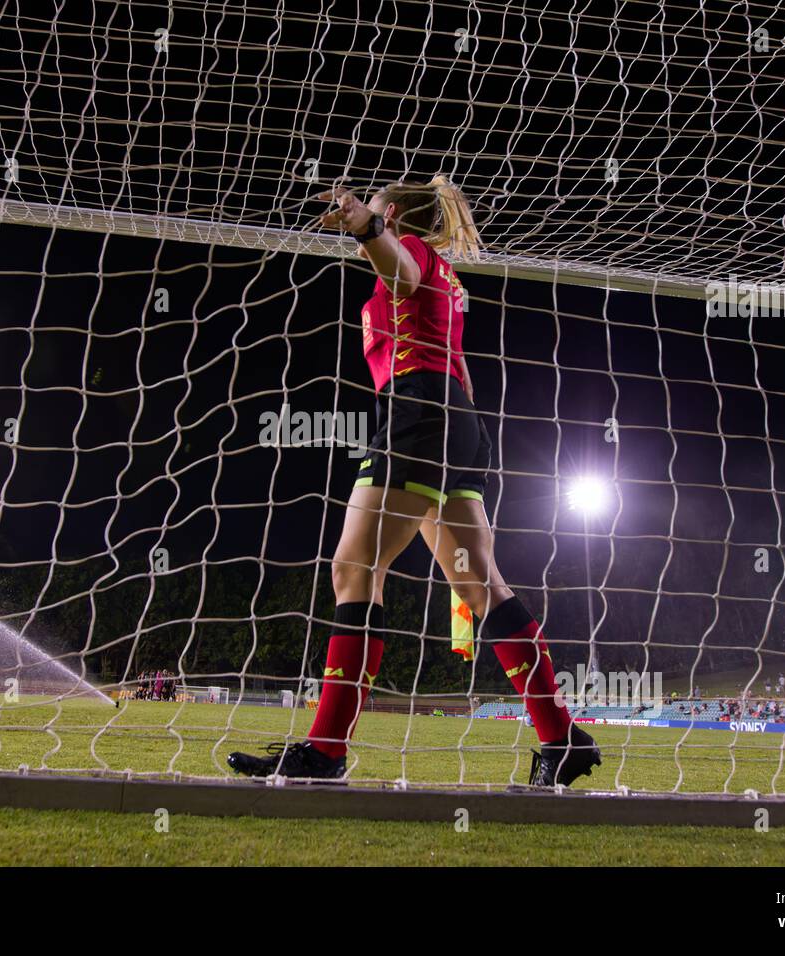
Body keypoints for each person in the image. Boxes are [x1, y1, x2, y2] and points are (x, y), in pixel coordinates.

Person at [228, 178, 601, 787]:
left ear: (393, 213)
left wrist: (368, 229)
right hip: (455, 421)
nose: (366, 213)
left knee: (355, 571)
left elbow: (398, 272)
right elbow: (453, 354)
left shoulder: (415, 253)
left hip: (419, 414)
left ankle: (324, 753)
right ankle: (561, 739)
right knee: (482, 587)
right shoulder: (449, 277)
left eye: (375, 205)